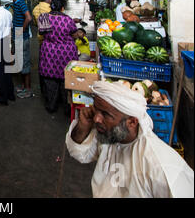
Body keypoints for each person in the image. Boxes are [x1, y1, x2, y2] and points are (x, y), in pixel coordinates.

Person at [66, 81, 194, 198]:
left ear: (132, 122)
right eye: (96, 110)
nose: (96, 119)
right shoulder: (109, 137)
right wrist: (83, 127)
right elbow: (79, 153)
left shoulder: (161, 166)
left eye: (105, 114)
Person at [38, 0, 78, 113]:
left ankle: (51, 105)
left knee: (50, 80)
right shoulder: (68, 20)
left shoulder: (44, 17)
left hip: (49, 52)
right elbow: (74, 35)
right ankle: (67, 108)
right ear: (62, 8)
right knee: (66, 80)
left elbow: (42, 32)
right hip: (66, 53)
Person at [7, 0, 33, 99]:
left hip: (22, 37)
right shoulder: (16, 3)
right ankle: (23, 86)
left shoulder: (21, 2)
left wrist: (21, 30)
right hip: (18, 37)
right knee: (20, 62)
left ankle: (27, 89)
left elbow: (28, 17)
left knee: (25, 63)